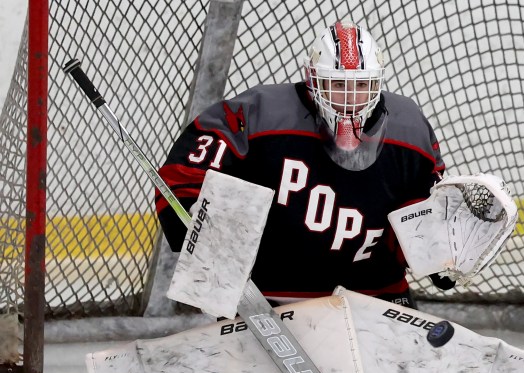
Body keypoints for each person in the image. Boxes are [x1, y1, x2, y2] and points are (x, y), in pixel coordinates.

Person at [156, 20, 455, 309]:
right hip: (268, 294)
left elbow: (425, 202)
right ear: (311, 78)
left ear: (377, 83)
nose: (350, 100)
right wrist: (191, 206)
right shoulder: (260, 114)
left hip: (373, 294)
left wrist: (442, 247)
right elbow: (189, 166)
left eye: (362, 85)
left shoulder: (411, 127)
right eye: (337, 84)